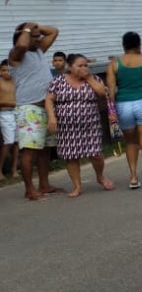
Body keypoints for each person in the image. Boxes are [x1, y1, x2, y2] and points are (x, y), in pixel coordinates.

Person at [45, 54, 115, 197]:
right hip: (67, 127)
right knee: (71, 157)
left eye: (85, 65)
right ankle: (77, 186)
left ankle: (100, 176)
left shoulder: (93, 79)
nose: (83, 68)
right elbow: (49, 99)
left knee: (96, 154)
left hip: (90, 124)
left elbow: (102, 93)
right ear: (70, 67)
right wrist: (52, 117)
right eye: (80, 66)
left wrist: (88, 78)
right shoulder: (58, 81)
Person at [8, 21, 62, 200]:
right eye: (34, 36)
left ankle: (44, 185)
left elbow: (54, 31)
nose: (38, 39)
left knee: (45, 149)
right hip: (29, 109)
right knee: (29, 151)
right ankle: (29, 189)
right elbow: (22, 43)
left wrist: (35, 26)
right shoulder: (15, 55)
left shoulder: (38, 51)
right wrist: (28, 28)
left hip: (46, 108)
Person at [107, 31, 142, 192]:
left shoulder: (114, 63)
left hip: (124, 105)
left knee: (131, 142)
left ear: (123, 45)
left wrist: (112, 110)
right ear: (139, 44)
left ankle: (133, 178)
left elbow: (111, 90)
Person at [1, 59, 17, 181]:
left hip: (17, 112)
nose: (7, 72)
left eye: (9, 70)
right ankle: (0, 170)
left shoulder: (15, 81)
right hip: (5, 113)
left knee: (17, 142)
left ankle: (14, 169)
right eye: (3, 70)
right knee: (9, 141)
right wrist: (11, 103)